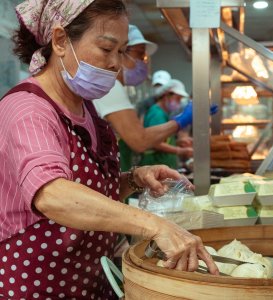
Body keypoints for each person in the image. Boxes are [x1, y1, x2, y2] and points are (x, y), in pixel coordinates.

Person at [0, 0, 218, 299]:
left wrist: (134, 179)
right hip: (38, 286)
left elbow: (88, 191)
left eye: (122, 51)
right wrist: (154, 225)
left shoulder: (84, 108)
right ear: (61, 40)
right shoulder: (28, 110)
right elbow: (52, 195)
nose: (117, 64)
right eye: (106, 49)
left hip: (88, 282)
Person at [93, 25, 194, 171]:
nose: (143, 62)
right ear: (120, 52)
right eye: (140, 55)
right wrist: (181, 120)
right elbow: (140, 140)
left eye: (145, 57)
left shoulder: (118, 88)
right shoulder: (110, 87)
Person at [139, 79, 194, 169]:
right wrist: (180, 151)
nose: (179, 102)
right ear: (166, 96)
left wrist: (177, 142)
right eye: (178, 98)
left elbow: (162, 140)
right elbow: (154, 142)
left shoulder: (163, 114)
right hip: (155, 163)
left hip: (162, 164)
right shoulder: (157, 114)